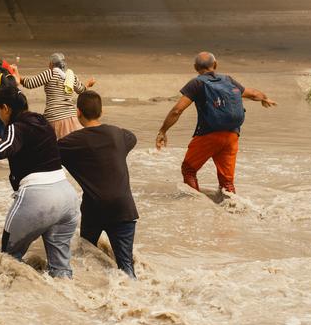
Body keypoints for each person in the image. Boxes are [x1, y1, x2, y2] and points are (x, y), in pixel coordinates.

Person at [0, 84, 79, 278]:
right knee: (61, 270)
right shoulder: (42, 121)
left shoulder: (16, 126)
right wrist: (4, 144)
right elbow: (30, 147)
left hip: (39, 199)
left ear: (6, 108)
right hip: (67, 197)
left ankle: (11, 305)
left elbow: (6, 147)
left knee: (7, 262)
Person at [155, 52, 276, 194]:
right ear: (215, 65)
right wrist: (265, 98)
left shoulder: (197, 83)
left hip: (208, 135)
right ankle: (232, 210)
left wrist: (163, 131)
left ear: (195, 67)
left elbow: (177, 110)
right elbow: (253, 94)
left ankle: (194, 204)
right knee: (227, 182)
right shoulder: (228, 80)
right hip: (232, 136)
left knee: (189, 170)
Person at [58, 91, 138, 279]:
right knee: (126, 267)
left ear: (78, 112)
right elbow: (132, 137)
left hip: (94, 209)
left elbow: (51, 152)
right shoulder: (117, 134)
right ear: (101, 112)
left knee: (86, 258)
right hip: (123, 209)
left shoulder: (74, 141)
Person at [14, 52, 96, 140]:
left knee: (57, 146)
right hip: (72, 117)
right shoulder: (71, 75)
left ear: (51, 64)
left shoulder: (50, 73)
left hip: (54, 117)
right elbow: (82, 90)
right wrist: (88, 84)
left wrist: (17, 75)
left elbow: (30, 83)